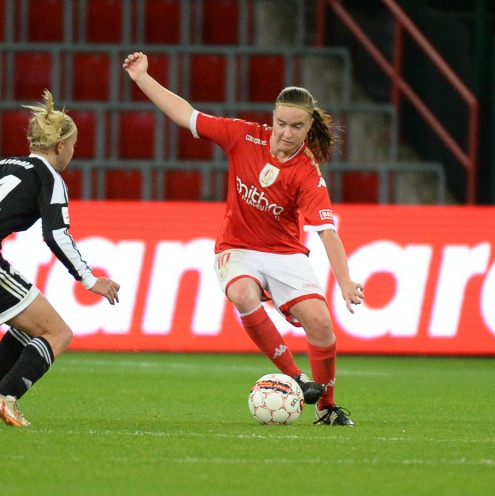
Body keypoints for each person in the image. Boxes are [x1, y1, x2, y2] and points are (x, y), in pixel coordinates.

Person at [123, 52, 364, 426]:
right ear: (272, 118)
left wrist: (345, 281)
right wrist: (142, 78)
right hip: (237, 248)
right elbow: (186, 115)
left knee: (320, 323)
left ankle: (326, 406)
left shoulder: (307, 173)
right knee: (242, 293)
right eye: (281, 123)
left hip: (285, 252)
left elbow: (327, 232)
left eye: (296, 127)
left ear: (308, 127)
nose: (286, 133)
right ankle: (296, 376)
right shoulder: (243, 136)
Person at [0, 90, 120, 427]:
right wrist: (91, 280)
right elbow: (56, 235)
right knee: (58, 333)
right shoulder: (49, 178)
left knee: (29, 327)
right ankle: (5, 396)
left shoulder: (2, 166)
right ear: (60, 146)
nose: (74, 152)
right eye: (74, 145)